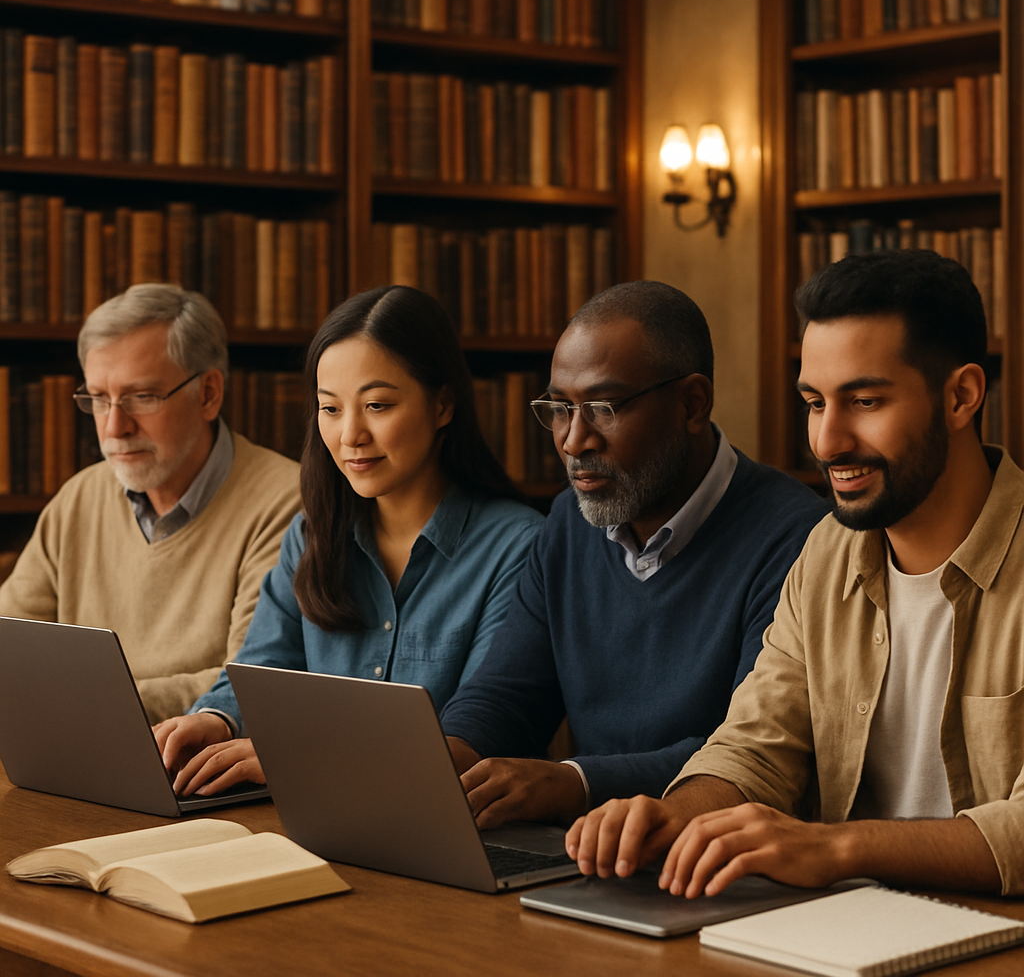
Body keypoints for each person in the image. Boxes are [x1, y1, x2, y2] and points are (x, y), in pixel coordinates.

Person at [567, 249, 1024, 898]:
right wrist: (678, 819)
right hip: (834, 936)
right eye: (814, 402)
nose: (828, 441)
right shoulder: (826, 552)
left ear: (961, 396)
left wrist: (836, 847)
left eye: (864, 400)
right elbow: (754, 745)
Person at [439, 280, 827, 829]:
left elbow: (753, 752)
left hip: (717, 853)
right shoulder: (567, 525)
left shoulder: (798, 538)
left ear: (692, 404)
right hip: (590, 849)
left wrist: (576, 781)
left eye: (602, 407)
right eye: (558, 408)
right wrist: (435, 765)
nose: (574, 441)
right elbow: (506, 697)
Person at [155, 285, 544, 796]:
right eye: (330, 409)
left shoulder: (518, 547)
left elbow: (476, 734)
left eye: (377, 405)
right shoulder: (312, 535)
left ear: (443, 404)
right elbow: (262, 672)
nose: (350, 435)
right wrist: (216, 719)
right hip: (310, 815)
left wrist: (299, 757)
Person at [0, 284, 300, 723]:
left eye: (142, 396)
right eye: (99, 399)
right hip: (74, 748)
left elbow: (252, 681)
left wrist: (86, 703)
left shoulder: (287, 503)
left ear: (209, 394)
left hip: (194, 768)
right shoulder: (80, 498)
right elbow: (11, 643)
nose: (114, 427)